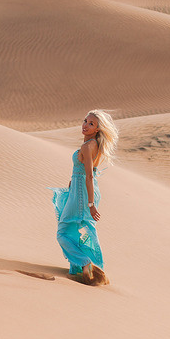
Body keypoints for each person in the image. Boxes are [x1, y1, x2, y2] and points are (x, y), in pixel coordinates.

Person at [51, 110, 119, 285]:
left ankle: (85, 263)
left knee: (63, 232)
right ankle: (92, 269)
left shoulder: (87, 147)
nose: (85, 125)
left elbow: (88, 175)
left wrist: (90, 204)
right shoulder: (94, 144)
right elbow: (86, 173)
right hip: (81, 189)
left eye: (91, 124)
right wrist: (73, 183)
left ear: (97, 129)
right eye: (85, 121)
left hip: (83, 192)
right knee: (83, 227)